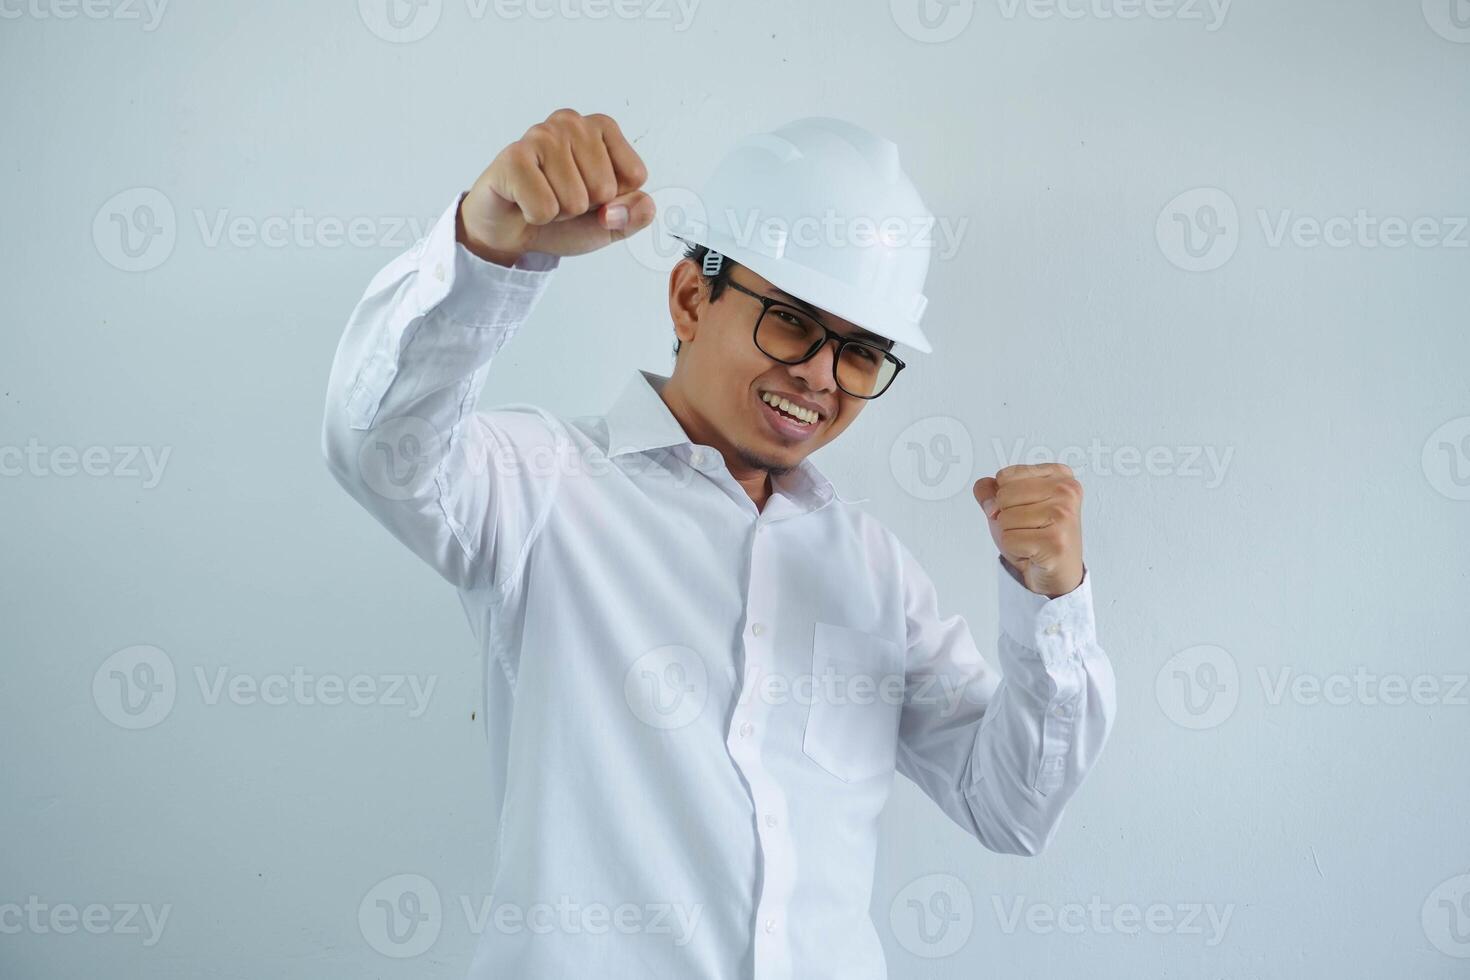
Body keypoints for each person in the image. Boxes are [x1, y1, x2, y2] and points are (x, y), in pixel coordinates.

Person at [321, 107, 1117, 980]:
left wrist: (1053, 605)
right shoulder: (542, 488)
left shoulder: (874, 570)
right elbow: (380, 452)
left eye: (860, 351)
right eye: (790, 320)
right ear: (692, 298)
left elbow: (1010, 808)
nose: (819, 373)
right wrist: (486, 246)